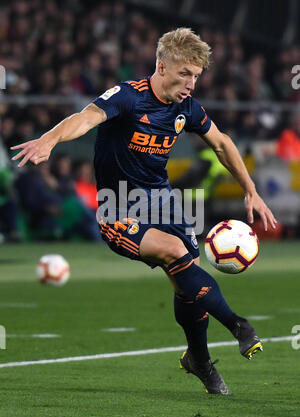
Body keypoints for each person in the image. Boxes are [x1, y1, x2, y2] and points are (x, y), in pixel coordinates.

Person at [11, 28, 277, 395]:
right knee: (176, 253)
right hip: (117, 208)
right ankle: (238, 326)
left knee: (189, 285)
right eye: (185, 74)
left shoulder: (186, 108)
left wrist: (251, 190)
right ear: (161, 66)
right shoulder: (128, 97)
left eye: (196, 76)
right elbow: (84, 117)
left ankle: (198, 359)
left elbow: (222, 143)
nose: (191, 84)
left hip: (162, 202)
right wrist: (50, 139)